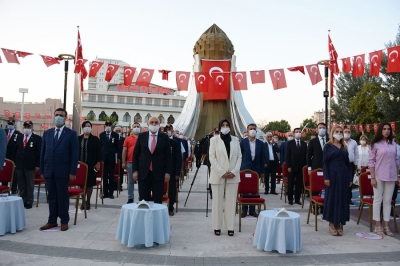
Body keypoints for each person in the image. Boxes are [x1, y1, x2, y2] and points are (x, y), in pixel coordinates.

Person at [39, 108, 79, 232]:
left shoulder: (71, 134)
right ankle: (52, 220)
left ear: (65, 118)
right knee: (51, 196)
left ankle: (64, 220)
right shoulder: (47, 133)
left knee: (62, 196)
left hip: (63, 170)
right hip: (49, 170)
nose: (58, 117)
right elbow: (42, 153)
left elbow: (74, 154)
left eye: (61, 115)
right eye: (56, 115)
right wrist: (42, 170)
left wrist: (73, 171)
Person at [209, 119, 242, 236]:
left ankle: (230, 227)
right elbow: (212, 158)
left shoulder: (235, 140)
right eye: (222, 125)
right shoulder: (214, 140)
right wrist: (222, 172)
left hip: (233, 175)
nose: (225, 127)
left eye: (227, 125)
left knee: (231, 202)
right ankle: (217, 226)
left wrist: (234, 171)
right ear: (219, 127)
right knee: (217, 202)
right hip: (218, 175)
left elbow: (239, 157)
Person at [369, 123, 399, 237]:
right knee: (378, 199)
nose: (387, 131)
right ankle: (377, 225)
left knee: (388, 200)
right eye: (384, 129)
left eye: (388, 129)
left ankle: (386, 225)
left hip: (391, 176)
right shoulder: (375, 144)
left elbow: (396, 161)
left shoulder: (394, 145)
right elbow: (371, 161)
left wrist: (398, 176)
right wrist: (372, 177)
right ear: (380, 131)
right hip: (379, 175)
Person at [132, 117, 171, 203]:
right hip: (143, 173)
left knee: (157, 200)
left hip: (158, 173)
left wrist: (167, 172)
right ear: (147, 124)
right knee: (143, 201)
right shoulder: (142, 136)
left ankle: (156, 217)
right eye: (152, 122)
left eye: (156, 122)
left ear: (159, 125)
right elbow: (135, 154)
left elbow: (168, 156)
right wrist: (135, 171)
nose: (154, 124)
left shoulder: (164, 137)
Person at [322, 126, 353, 236]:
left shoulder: (344, 147)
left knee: (342, 199)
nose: (339, 133)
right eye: (337, 131)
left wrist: (350, 178)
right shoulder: (328, 147)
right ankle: (331, 223)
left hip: (344, 176)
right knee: (332, 199)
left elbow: (348, 164)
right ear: (332, 133)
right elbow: (325, 163)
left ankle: (340, 223)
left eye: (341, 132)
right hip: (332, 176)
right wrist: (326, 177)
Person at [14, 121, 42, 209]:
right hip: (20, 164)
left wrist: (37, 165)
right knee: (21, 183)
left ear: (32, 128)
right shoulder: (20, 137)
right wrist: (15, 163)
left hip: (30, 164)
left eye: (28, 127)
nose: (27, 129)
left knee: (29, 184)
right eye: (25, 127)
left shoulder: (37, 138)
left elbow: (39, 153)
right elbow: (16, 150)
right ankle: (22, 199)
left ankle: (29, 200)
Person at [240, 123, 264, 218]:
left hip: (256, 168)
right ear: (247, 131)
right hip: (245, 168)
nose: (252, 130)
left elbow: (262, 158)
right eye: (251, 129)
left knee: (254, 190)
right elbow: (240, 155)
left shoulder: (260, 143)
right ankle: (244, 209)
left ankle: (252, 210)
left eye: (254, 129)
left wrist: (262, 171)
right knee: (245, 189)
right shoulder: (243, 142)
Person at [77, 121, 101, 210]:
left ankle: (88, 201)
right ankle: (83, 202)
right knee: (81, 184)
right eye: (86, 126)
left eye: (89, 126)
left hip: (91, 165)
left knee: (89, 184)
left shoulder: (95, 139)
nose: (87, 127)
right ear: (82, 128)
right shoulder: (78, 139)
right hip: (80, 165)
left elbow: (99, 152)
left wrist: (98, 163)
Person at [286, 128, 307, 205]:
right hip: (292, 167)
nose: (298, 133)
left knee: (299, 184)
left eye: (299, 132)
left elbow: (306, 156)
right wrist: (288, 166)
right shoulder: (290, 143)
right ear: (294, 134)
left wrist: (305, 167)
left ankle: (297, 199)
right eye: (297, 132)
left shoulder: (304, 144)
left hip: (301, 167)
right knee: (291, 183)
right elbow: (287, 156)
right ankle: (290, 199)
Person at [99, 120, 119, 199]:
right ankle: (105, 192)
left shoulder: (115, 135)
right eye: (106, 125)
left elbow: (117, 147)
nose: (108, 126)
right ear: (104, 126)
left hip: (112, 157)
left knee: (111, 176)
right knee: (104, 175)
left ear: (111, 126)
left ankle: (111, 193)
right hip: (104, 157)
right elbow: (100, 146)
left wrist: (118, 157)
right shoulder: (102, 135)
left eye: (109, 125)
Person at [165, 124, 182, 216]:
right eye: (166, 129)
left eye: (169, 129)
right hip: (160, 169)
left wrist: (177, 172)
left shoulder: (175, 142)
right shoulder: (160, 140)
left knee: (171, 189)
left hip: (172, 170)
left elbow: (178, 158)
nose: (168, 130)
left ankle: (170, 207)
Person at [122, 122, 140, 204]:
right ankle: (130, 198)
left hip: (141, 162)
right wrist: (123, 161)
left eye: (137, 126)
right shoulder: (128, 139)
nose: (136, 128)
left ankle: (141, 197)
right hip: (130, 162)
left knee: (141, 180)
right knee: (130, 181)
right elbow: (124, 151)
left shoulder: (143, 138)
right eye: (135, 126)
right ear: (132, 128)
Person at [4, 118, 21, 194]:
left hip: (13, 157)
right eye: (9, 124)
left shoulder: (18, 134)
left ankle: (14, 190)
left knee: (14, 175)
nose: (10, 125)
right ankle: (4, 190)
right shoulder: (4, 132)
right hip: (4, 157)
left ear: (14, 124)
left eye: (12, 124)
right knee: (4, 174)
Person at [343, 128, 359, 206]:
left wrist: (356, 164)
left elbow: (356, 154)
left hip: (350, 164)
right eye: (345, 132)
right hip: (341, 164)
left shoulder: (354, 142)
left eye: (348, 132)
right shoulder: (340, 141)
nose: (347, 133)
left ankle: (349, 199)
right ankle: (342, 198)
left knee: (350, 181)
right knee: (342, 181)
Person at [114, 126, 125, 192]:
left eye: (119, 131)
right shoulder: (112, 138)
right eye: (116, 131)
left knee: (121, 172)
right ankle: (113, 185)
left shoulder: (123, 139)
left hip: (120, 157)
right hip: (113, 157)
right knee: (113, 171)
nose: (117, 132)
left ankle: (119, 185)